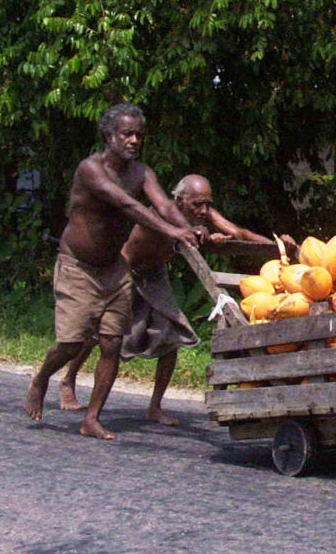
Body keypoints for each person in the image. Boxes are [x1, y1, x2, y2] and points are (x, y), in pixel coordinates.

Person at [23, 103, 201, 441]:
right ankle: (42, 378)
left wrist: (188, 228)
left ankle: (92, 418)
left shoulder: (142, 172)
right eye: (127, 134)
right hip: (78, 266)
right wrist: (172, 232)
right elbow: (127, 205)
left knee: (111, 343)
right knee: (72, 342)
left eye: (139, 135)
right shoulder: (90, 170)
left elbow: (163, 205)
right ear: (109, 136)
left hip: (114, 269)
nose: (134, 141)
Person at [57, 174, 276, 427]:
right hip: (126, 274)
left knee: (172, 336)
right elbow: (182, 233)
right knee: (97, 332)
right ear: (180, 201)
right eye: (197, 205)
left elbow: (238, 232)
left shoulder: (203, 214)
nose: (203, 210)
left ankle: (155, 406)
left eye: (207, 204)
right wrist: (202, 236)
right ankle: (68, 379)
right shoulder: (162, 213)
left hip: (155, 275)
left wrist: (278, 246)